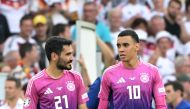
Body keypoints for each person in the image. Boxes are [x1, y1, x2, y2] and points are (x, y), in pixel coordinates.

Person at [98, 29, 167, 109]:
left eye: (125, 45)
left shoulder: (153, 71)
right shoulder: (109, 73)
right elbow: (102, 105)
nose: (121, 49)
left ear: (137, 46)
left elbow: (161, 106)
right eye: (119, 46)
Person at [23, 37, 88, 109]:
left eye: (72, 54)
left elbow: (83, 107)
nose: (72, 58)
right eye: (68, 54)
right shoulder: (35, 82)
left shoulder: (76, 77)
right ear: (54, 56)